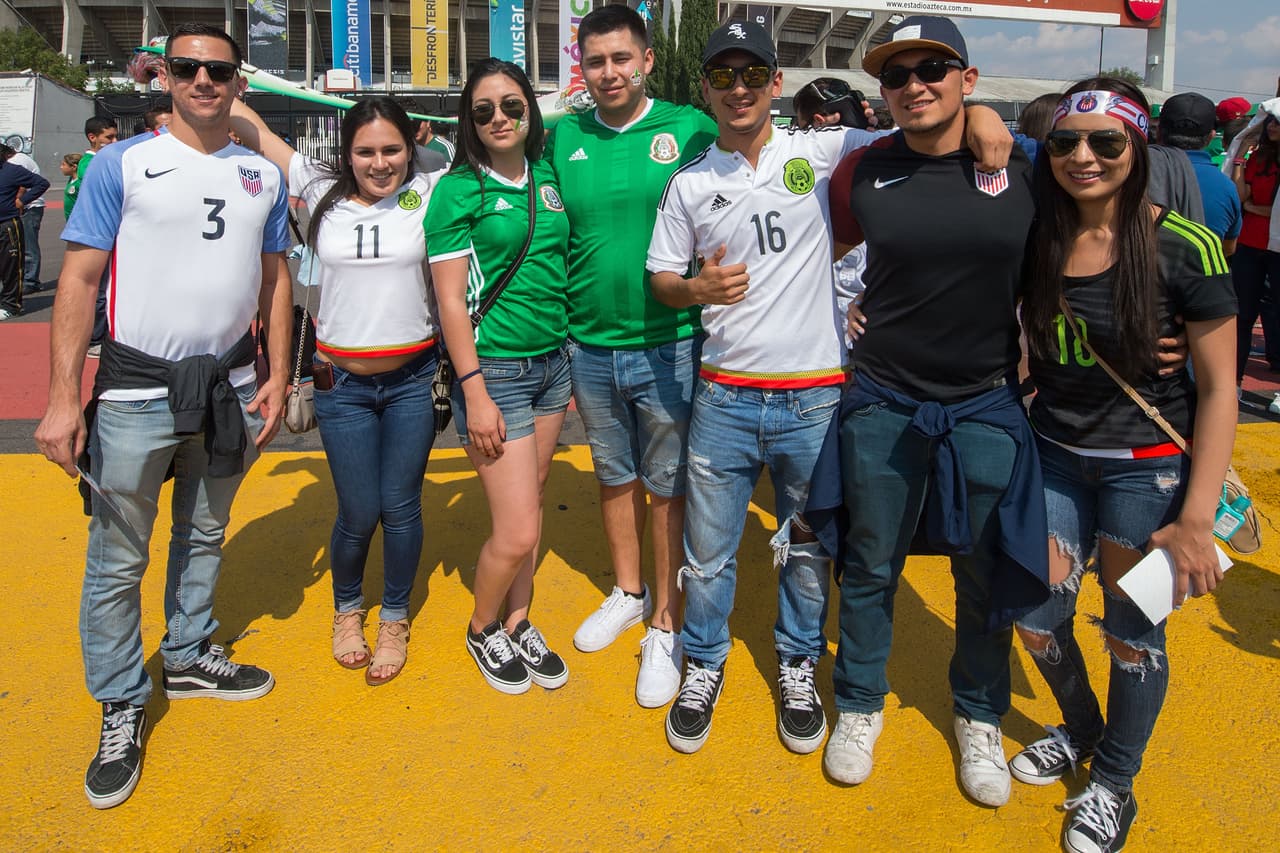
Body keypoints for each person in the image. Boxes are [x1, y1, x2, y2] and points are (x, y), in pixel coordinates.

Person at [646, 19, 1014, 757]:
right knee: (709, 550)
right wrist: (695, 288)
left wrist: (982, 111)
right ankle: (704, 662)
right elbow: (659, 279)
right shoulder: (690, 181)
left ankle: (797, 662)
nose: (740, 88)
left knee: (808, 547)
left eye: (754, 74)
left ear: (777, 84)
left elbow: (923, 126)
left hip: (815, 396)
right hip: (722, 393)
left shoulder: (821, 149)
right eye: (723, 76)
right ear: (706, 89)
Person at [33, 22, 292, 809]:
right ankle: (119, 701)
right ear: (167, 77)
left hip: (231, 388)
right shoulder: (121, 164)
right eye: (187, 67)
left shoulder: (262, 176)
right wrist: (62, 396)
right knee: (118, 557)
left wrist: (278, 372)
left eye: (218, 69)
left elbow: (276, 278)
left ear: (237, 80)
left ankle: (187, 650)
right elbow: (78, 281)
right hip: (137, 393)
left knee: (205, 531)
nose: (203, 81)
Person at [820, 16, 1046, 807]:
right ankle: (858, 702)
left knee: (980, 571)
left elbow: (1112, 218)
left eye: (933, 70)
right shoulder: (862, 170)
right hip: (883, 395)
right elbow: (821, 254)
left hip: (986, 400)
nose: (915, 84)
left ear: (968, 80)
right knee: (872, 560)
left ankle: (979, 713)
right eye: (897, 74)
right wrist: (843, 311)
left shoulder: (1024, 164)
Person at [1010, 78, 1237, 853]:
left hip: (1150, 473)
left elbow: (1220, 389)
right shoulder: (1036, 235)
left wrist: (1197, 518)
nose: (1084, 157)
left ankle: (1114, 782)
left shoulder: (1185, 247)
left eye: (1107, 142)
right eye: (1069, 141)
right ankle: (1083, 732)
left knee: (1131, 633)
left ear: (1137, 149)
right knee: (1037, 618)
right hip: (1055, 456)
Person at [231, 96, 445, 686]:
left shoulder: (433, 190)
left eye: (392, 150)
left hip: (412, 382)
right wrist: (214, 74)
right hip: (341, 385)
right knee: (358, 511)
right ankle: (347, 610)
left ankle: (395, 618)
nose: (380, 163)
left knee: (401, 507)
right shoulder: (319, 189)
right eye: (366, 151)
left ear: (413, 147)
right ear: (347, 153)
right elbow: (251, 128)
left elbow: (503, 138)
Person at [548, 5, 716, 708]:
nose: (609, 73)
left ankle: (666, 622)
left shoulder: (690, 128)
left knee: (667, 483)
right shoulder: (561, 137)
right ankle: (627, 588)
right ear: (580, 69)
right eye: (595, 62)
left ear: (647, 60)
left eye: (622, 59)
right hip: (589, 343)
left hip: (671, 343)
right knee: (613, 473)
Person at [426, 58, 572, 696]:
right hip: (498, 373)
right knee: (515, 528)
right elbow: (451, 302)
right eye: (484, 110)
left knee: (533, 510)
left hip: (553, 366)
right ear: (469, 120)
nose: (500, 119)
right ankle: (483, 625)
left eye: (512, 105)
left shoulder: (548, 172)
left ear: (530, 110)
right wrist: (475, 390)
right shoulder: (459, 190)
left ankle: (519, 619)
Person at [1229, 109, 1280, 383]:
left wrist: (1254, 208)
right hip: (1249, 244)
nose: (1271, 126)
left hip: (1277, 247)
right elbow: (1241, 197)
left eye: (1277, 122)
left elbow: (1273, 211)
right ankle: (1234, 379)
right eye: (1270, 121)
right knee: (1242, 313)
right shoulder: (1258, 158)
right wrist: (1239, 158)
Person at [1158, 92, 1241, 251]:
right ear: (1211, 137)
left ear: (1159, 131)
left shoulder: (1132, 173)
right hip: (1199, 272)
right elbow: (1228, 248)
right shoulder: (1226, 186)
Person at [0, 145, 49, 319]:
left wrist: (22, 200)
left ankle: (11, 305)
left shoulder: (12, 170)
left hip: (7, 225)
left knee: (11, 267)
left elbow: (41, 183)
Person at [7, 147, 47, 293]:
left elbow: (22, 185)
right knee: (19, 245)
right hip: (25, 207)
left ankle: (31, 281)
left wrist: (19, 201)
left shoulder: (16, 161)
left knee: (29, 245)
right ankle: (24, 278)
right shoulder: (16, 159)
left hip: (30, 207)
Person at [60, 153, 83, 218]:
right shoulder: (71, 179)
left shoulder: (80, 183)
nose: (61, 167)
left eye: (63, 165)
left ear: (74, 167)